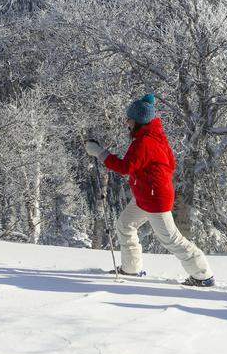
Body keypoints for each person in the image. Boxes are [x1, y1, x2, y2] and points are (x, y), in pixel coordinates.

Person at [85, 93, 215, 287]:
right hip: (146, 195)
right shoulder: (156, 136)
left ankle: (203, 275)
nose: (126, 122)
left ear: (138, 121)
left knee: (171, 239)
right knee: (125, 224)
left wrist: (99, 152)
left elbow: (124, 167)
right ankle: (131, 268)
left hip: (155, 199)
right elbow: (170, 163)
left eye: (128, 119)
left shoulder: (144, 142)